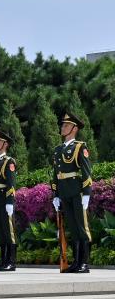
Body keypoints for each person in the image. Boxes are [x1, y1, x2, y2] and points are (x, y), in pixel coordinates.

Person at [53, 112, 93, 273]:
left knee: (82, 227)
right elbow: (55, 173)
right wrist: (55, 194)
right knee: (72, 227)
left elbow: (86, 171)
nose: (63, 127)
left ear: (74, 129)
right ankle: (76, 262)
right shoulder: (58, 149)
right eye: (63, 125)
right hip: (64, 192)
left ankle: (84, 263)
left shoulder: (79, 147)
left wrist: (87, 193)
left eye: (67, 125)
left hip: (77, 192)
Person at [0, 131, 18, 272]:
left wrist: (10, 201)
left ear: (5, 144)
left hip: (5, 201)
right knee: (1, 231)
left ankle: (11, 261)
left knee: (9, 231)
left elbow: (11, 183)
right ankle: (4, 260)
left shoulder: (9, 161)